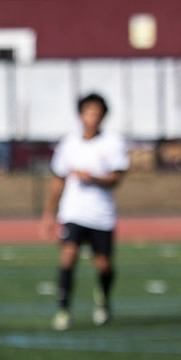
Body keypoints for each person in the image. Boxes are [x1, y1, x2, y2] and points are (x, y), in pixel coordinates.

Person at [41, 92, 128, 330]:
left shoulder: (113, 142)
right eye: (89, 113)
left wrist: (93, 178)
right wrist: (49, 214)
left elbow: (117, 177)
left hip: (101, 214)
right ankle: (63, 309)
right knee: (68, 257)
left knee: (104, 265)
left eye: (97, 113)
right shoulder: (68, 143)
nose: (93, 118)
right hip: (73, 212)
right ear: (81, 115)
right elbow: (58, 179)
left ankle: (103, 300)